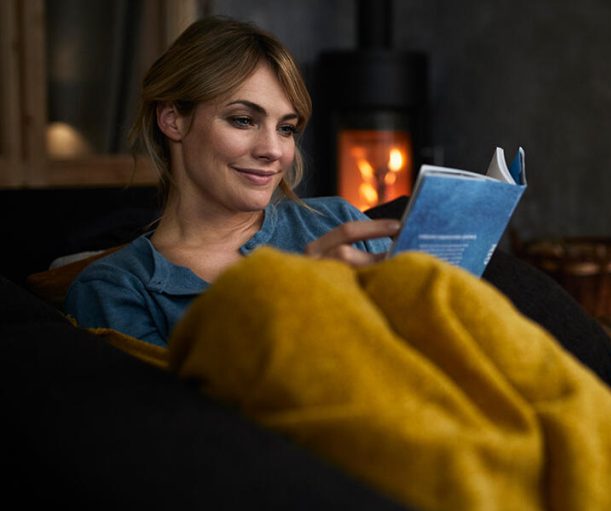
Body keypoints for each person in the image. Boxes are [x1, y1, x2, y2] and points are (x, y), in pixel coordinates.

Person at [65, 16, 400, 347]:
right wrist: (298, 302)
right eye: (242, 120)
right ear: (173, 120)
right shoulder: (116, 287)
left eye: (286, 128)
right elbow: (176, 402)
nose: (273, 151)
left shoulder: (337, 222)